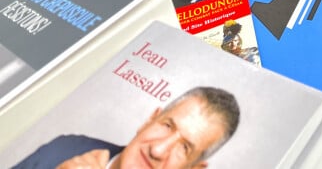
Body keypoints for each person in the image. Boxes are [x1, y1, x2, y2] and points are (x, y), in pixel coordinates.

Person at [10, 86, 240, 169]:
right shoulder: (63, 148)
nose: (157, 151)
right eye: (167, 126)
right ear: (150, 120)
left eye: (185, 147)